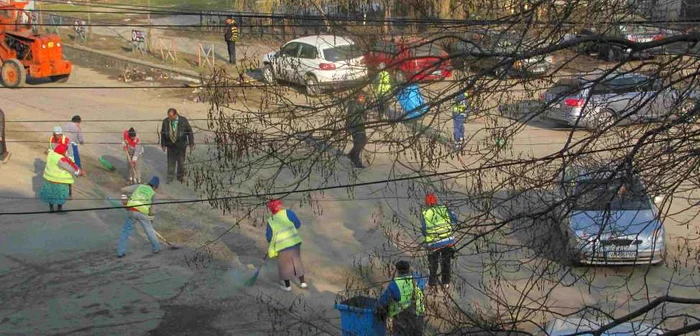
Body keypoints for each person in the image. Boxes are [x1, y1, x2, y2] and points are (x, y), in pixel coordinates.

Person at [266, 199, 307, 292]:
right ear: (279, 206)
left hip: (281, 247)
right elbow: (298, 224)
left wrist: (271, 244)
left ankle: (288, 286)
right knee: (297, 262)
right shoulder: (288, 212)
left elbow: (269, 236)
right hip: (294, 243)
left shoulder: (270, 220)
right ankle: (303, 283)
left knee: (284, 266)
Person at [378, 260, 426, 336]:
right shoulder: (417, 279)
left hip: (402, 317)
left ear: (397, 271)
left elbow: (383, 301)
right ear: (409, 269)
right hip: (419, 315)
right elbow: (424, 282)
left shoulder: (395, 284)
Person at [117, 176, 161, 258]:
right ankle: (156, 248)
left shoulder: (139, 186)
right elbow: (153, 210)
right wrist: (151, 219)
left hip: (131, 211)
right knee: (149, 231)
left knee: (125, 231)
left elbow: (123, 190)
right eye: (156, 188)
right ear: (155, 187)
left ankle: (120, 252)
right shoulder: (153, 194)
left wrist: (124, 201)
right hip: (143, 213)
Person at [421, 193, 457, 289]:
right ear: (436, 201)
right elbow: (455, 219)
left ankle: (431, 283)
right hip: (447, 241)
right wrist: (450, 210)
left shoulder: (425, 214)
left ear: (426, 203)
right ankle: (446, 282)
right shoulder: (444, 209)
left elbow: (424, 230)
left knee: (433, 264)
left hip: (434, 243)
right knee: (446, 262)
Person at [39, 144, 83, 213]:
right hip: (60, 180)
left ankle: (51, 209)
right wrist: (79, 173)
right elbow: (69, 168)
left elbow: (47, 151)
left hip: (49, 178)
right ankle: (59, 209)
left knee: (51, 194)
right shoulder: (61, 159)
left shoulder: (51, 154)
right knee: (61, 195)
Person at [160, 108, 194, 183]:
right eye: (169, 116)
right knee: (170, 162)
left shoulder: (183, 120)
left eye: (171, 116)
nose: (170, 118)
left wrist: (191, 143)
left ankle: (180, 176)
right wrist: (163, 144)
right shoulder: (165, 121)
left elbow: (189, 132)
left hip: (181, 145)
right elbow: (163, 133)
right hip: (170, 145)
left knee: (181, 162)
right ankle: (170, 177)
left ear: (175, 115)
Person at [346, 92, 369, 169]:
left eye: (364, 97)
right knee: (358, 142)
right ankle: (356, 159)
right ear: (358, 97)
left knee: (364, 140)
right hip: (355, 126)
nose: (363, 99)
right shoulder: (354, 104)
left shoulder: (362, 104)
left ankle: (352, 154)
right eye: (361, 97)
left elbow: (364, 116)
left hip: (361, 125)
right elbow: (351, 117)